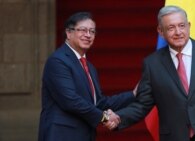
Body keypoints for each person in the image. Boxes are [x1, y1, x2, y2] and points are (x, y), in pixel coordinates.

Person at [104, 5, 195, 141]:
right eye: (171, 28)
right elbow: (142, 105)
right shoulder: (152, 64)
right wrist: (119, 117)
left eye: (181, 25)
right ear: (161, 31)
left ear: (189, 26)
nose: (178, 32)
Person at [38, 12, 136, 141]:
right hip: (61, 135)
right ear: (68, 33)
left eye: (92, 31)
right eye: (83, 30)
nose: (88, 35)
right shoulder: (58, 61)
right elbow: (70, 101)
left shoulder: (89, 66)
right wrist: (104, 117)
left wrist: (133, 94)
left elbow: (99, 103)